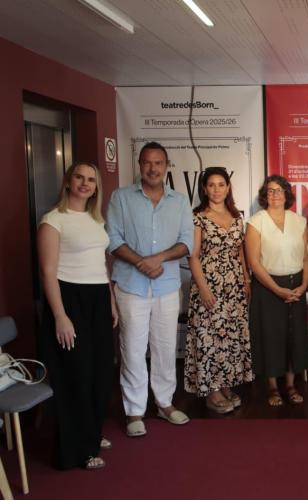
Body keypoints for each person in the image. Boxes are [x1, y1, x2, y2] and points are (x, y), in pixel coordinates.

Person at [107, 142, 194, 437]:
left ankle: (164, 403)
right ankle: (134, 411)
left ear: (166, 166)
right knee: (132, 349)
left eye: (158, 163)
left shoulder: (179, 201)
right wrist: (141, 262)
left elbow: (187, 242)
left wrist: (158, 258)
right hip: (131, 286)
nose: (152, 168)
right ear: (140, 165)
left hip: (167, 287)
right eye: (147, 162)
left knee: (165, 348)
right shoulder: (121, 198)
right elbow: (112, 239)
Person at [37, 161, 117, 470]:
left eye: (91, 180)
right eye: (79, 178)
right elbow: (48, 272)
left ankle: (91, 433)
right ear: (68, 182)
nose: (85, 183)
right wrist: (60, 315)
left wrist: (110, 301)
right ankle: (78, 451)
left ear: (96, 187)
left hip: (98, 299)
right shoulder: (53, 220)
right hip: (69, 301)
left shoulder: (96, 219)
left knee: (100, 372)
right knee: (77, 375)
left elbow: (100, 265)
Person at [184, 167, 253, 414]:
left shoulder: (236, 216)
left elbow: (240, 251)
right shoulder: (198, 217)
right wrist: (203, 289)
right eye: (211, 185)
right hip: (209, 284)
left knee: (229, 337)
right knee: (209, 337)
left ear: (228, 187)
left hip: (234, 287)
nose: (216, 189)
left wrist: (246, 280)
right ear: (204, 189)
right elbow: (193, 256)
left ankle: (224, 384)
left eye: (221, 184)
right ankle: (211, 390)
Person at [245, 175, 308, 406]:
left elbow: (306, 258)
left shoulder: (299, 221)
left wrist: (303, 286)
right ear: (265, 195)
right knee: (270, 336)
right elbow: (254, 263)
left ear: (287, 194)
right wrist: (276, 289)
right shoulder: (256, 222)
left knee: (294, 336)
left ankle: (291, 385)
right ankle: (273, 387)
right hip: (267, 287)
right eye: (270, 191)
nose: (275, 195)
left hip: (296, 286)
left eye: (279, 190)